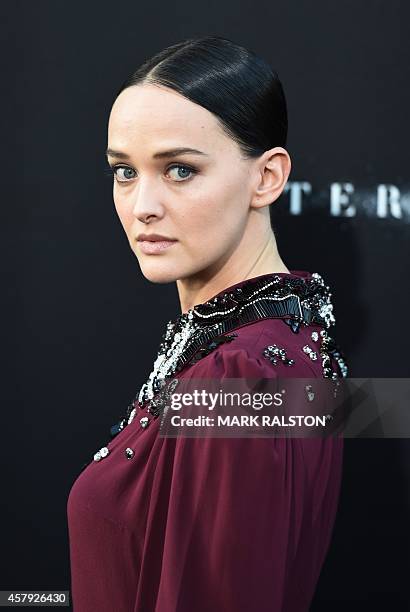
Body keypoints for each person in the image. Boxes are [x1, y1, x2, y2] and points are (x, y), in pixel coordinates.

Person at [67, 35, 348, 611]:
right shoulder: (282, 345)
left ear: (266, 177)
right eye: (124, 172)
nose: (143, 204)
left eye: (178, 170)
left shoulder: (237, 375)